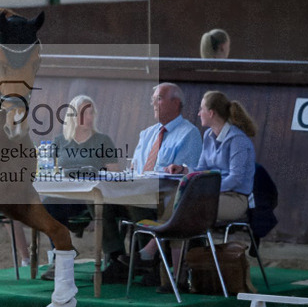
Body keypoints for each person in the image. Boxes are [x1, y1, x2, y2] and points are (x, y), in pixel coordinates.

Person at [101, 82, 203, 282]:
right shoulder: (147, 134)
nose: (153, 104)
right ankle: (117, 259)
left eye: (158, 99)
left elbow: (185, 178)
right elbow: (136, 168)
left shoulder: (189, 134)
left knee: (136, 201)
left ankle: (151, 261)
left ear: (175, 103)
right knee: (101, 200)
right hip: (139, 191)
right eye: (153, 99)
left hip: (165, 199)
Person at [40, 95, 117, 280]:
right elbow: (51, 169)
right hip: (68, 195)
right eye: (83, 113)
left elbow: (115, 173)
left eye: (91, 113)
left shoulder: (103, 140)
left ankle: (114, 258)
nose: (88, 117)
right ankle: (62, 252)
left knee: (96, 203)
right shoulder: (60, 141)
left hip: (93, 194)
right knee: (47, 205)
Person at [167, 89, 257, 227]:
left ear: (211, 113)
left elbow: (236, 178)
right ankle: (172, 246)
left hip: (235, 199)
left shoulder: (238, 140)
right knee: (171, 199)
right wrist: (183, 170)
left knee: (187, 204)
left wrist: (208, 189)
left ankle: (157, 245)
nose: (198, 113)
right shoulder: (208, 135)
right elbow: (202, 169)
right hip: (213, 194)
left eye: (201, 109)